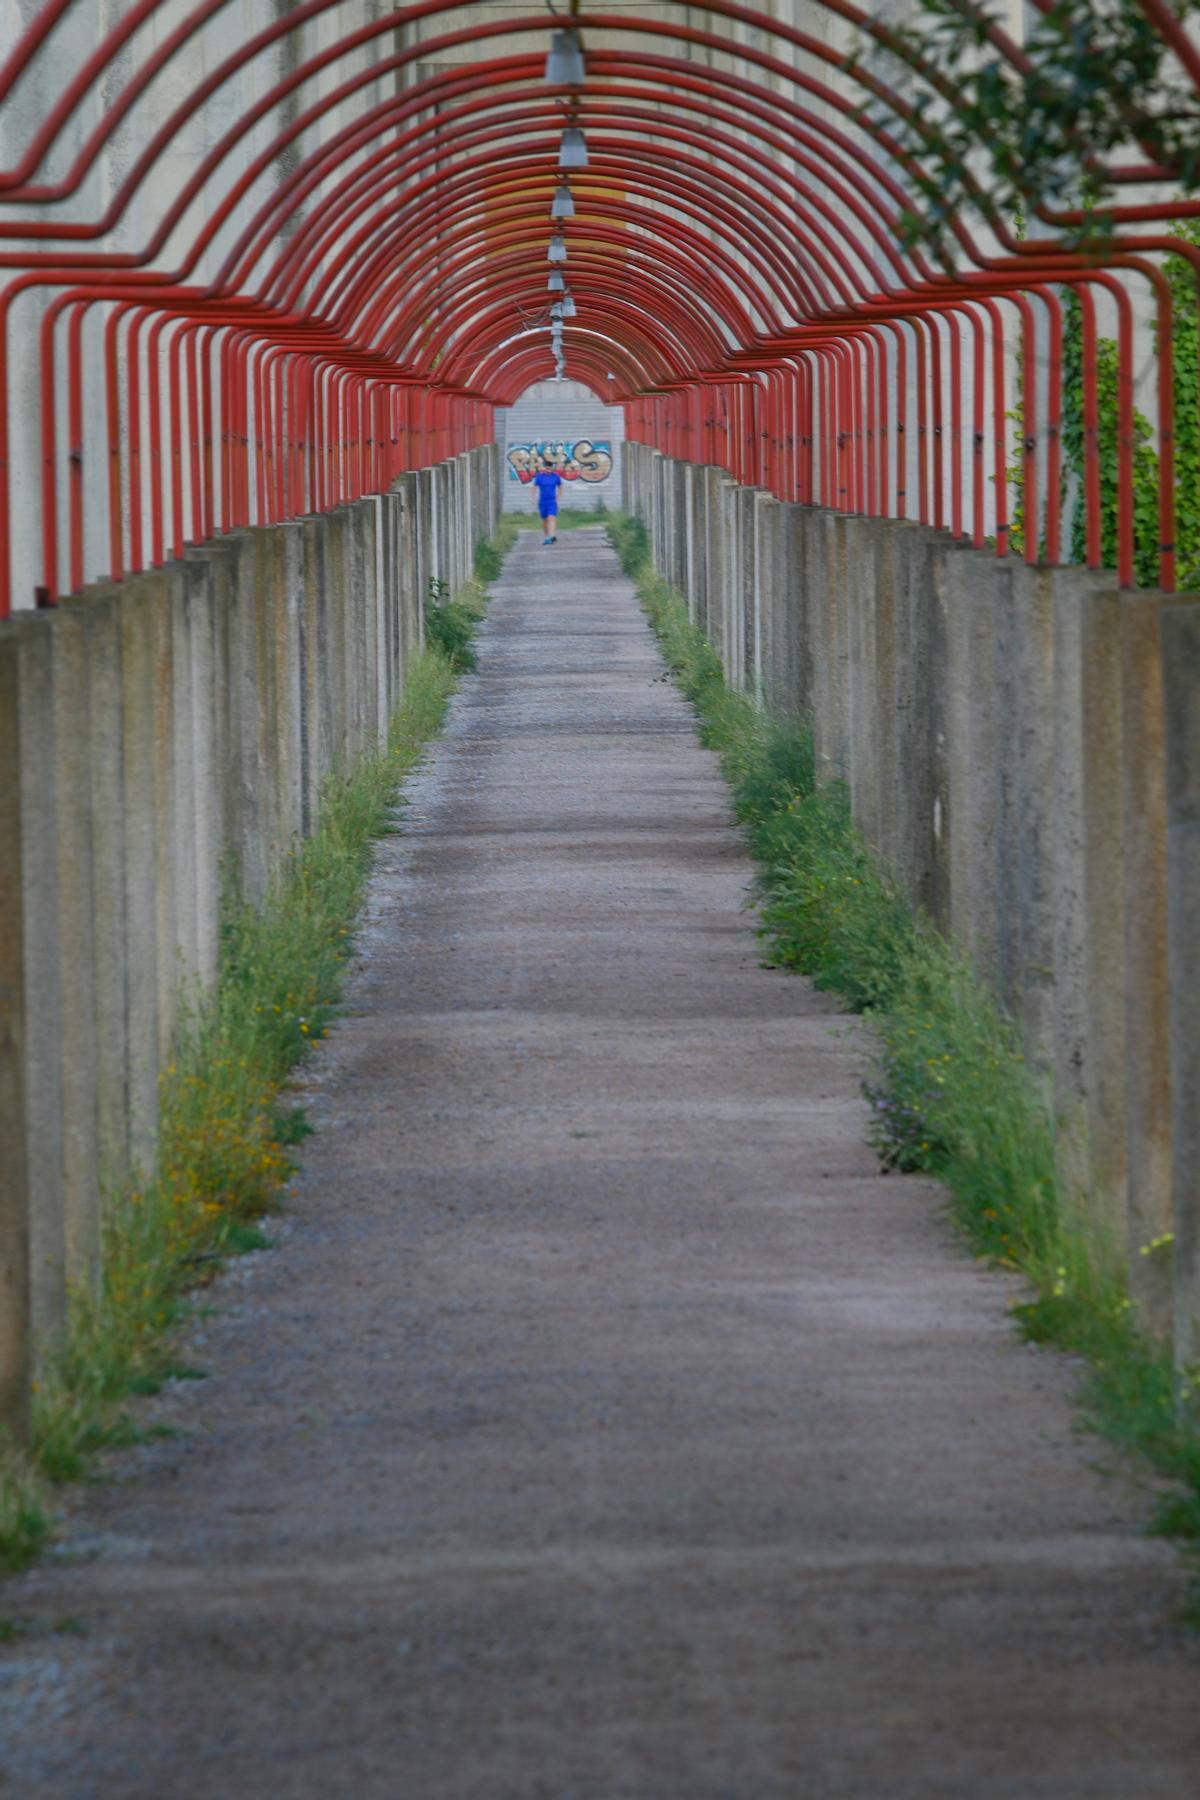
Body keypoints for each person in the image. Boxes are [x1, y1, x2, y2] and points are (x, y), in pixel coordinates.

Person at [532, 465, 564, 544]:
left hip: (552, 501)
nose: (549, 470)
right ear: (544, 468)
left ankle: (552, 536)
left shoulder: (556, 476)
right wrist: (533, 497)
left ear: (552, 469)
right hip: (542, 502)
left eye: (550, 468)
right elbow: (534, 487)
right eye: (547, 468)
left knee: (551, 517)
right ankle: (546, 537)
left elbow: (560, 487)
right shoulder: (539, 477)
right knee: (545, 520)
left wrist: (558, 498)